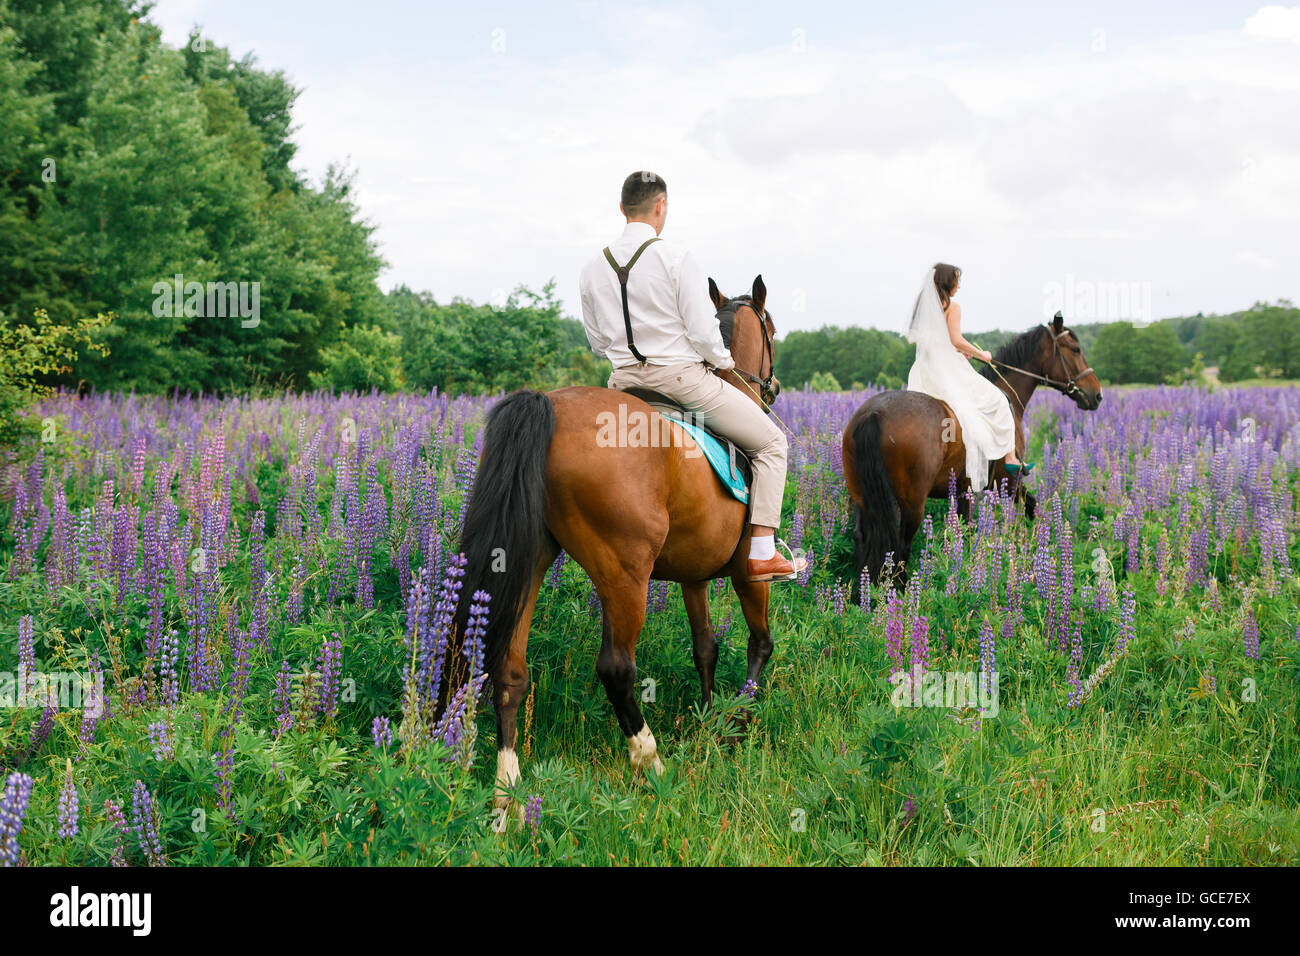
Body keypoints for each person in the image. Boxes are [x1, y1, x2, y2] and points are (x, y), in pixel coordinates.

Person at [578, 171, 807, 582]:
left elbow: (597, 342)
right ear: (661, 206)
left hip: (622, 386)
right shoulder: (676, 258)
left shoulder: (593, 266)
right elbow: (704, 334)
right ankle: (761, 552)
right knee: (774, 443)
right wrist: (721, 362)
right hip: (683, 383)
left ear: (621, 208)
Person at [905, 263, 1031, 492]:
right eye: (956, 280)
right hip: (947, 368)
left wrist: (955, 350)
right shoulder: (953, 307)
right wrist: (981, 354)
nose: (959, 285)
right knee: (999, 401)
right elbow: (955, 339)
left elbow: (933, 341)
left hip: (924, 369)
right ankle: (1011, 458)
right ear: (947, 282)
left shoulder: (924, 308)